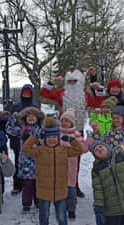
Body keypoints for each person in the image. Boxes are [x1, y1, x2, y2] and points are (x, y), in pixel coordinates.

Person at [40, 69, 104, 198]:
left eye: (75, 81)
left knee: (76, 160)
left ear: (80, 82)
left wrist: (99, 88)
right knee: (59, 158)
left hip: (77, 131)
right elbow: (44, 93)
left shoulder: (85, 96)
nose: (72, 83)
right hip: (61, 131)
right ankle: (61, 185)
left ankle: (74, 185)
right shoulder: (62, 93)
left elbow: (99, 102)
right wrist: (52, 82)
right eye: (70, 81)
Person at [22, 117, 83, 225]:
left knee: (61, 217)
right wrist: (34, 137)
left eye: (54, 137)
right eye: (49, 137)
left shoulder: (63, 150)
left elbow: (79, 150)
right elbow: (26, 149)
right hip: (44, 191)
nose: (52, 139)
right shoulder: (40, 151)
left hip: (61, 191)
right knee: (44, 217)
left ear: (58, 138)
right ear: (44, 138)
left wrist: (71, 140)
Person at [90, 137, 124, 225]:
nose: (99, 149)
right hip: (112, 211)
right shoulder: (97, 169)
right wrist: (98, 207)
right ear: (95, 156)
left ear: (107, 147)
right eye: (95, 150)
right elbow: (97, 190)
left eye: (100, 146)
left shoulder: (121, 157)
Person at [7, 84, 39, 195]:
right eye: (24, 92)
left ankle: (33, 186)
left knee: (34, 164)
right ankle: (18, 185)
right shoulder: (16, 107)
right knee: (18, 163)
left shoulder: (35, 106)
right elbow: (11, 125)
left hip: (33, 141)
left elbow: (39, 121)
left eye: (28, 92)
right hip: (19, 140)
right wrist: (13, 139)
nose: (26, 94)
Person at [59, 110, 89, 219]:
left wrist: (91, 138)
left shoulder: (76, 134)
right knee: (60, 189)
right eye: (63, 120)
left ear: (72, 123)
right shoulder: (56, 133)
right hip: (58, 166)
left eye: (67, 121)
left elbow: (83, 148)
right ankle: (61, 208)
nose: (64, 123)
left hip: (71, 166)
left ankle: (71, 209)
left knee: (71, 188)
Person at [16, 107, 45, 212]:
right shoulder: (22, 129)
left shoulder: (41, 130)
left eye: (34, 116)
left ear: (38, 118)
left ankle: (38, 201)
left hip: (38, 160)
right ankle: (26, 203)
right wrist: (12, 118)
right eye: (29, 116)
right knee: (28, 184)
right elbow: (10, 129)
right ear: (25, 118)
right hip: (26, 161)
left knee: (38, 182)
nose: (31, 118)